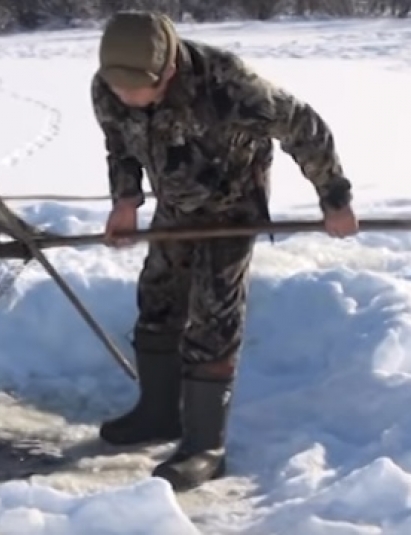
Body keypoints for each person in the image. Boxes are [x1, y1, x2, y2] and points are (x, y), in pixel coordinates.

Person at [91, 11, 359, 492]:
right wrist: (125, 201)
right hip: (175, 205)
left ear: (167, 69)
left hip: (232, 207)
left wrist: (334, 198)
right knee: (156, 297)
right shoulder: (109, 86)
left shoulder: (229, 84)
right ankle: (157, 414)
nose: (126, 97)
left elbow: (304, 126)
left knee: (213, 315)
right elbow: (120, 145)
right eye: (118, 89)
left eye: (138, 89)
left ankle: (204, 446)